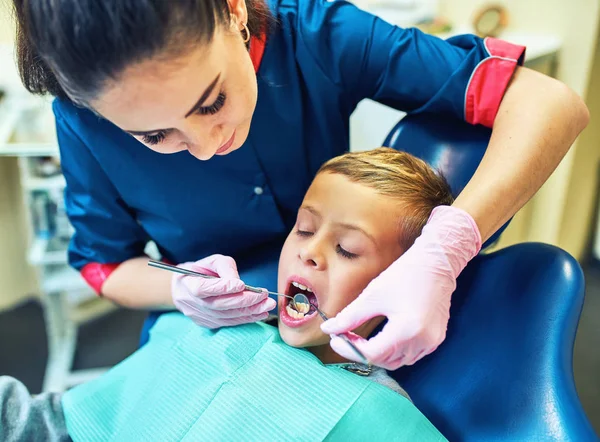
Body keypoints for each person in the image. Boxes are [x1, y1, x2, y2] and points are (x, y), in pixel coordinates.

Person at [12, 0, 589, 369]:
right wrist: (182, 291)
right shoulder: (85, 118)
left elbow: (549, 103)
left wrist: (447, 245)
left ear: (234, 11)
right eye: (156, 137)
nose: (208, 147)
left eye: (213, 101)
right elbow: (103, 265)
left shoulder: (317, 34)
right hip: (205, 336)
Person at [0, 148, 453, 441]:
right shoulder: (211, 330)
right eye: (305, 229)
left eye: (346, 249)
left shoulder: (375, 414)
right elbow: (55, 423)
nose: (309, 253)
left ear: (401, 285)